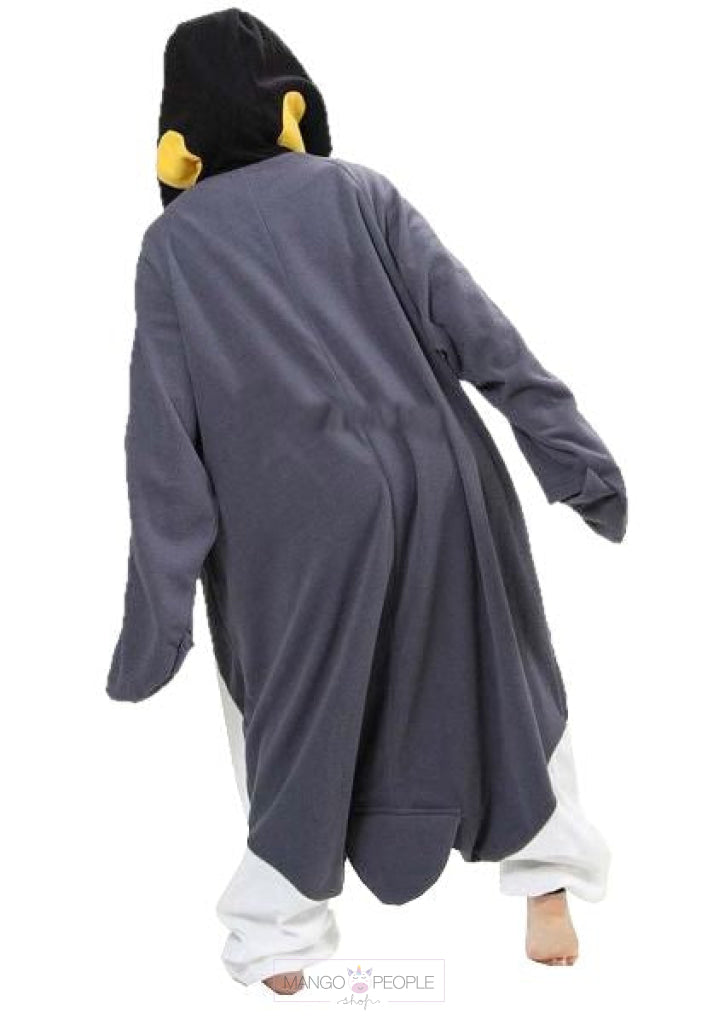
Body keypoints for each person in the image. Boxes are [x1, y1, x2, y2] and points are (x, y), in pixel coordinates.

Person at [107, 8, 626, 992]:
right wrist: (573, 460)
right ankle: (548, 879)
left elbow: (162, 438)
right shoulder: (358, 190)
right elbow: (480, 331)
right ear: (292, 106)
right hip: (445, 484)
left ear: (178, 133)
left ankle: (277, 936)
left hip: (293, 519)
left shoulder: (172, 246)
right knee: (505, 678)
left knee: (288, 711)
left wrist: (157, 611)